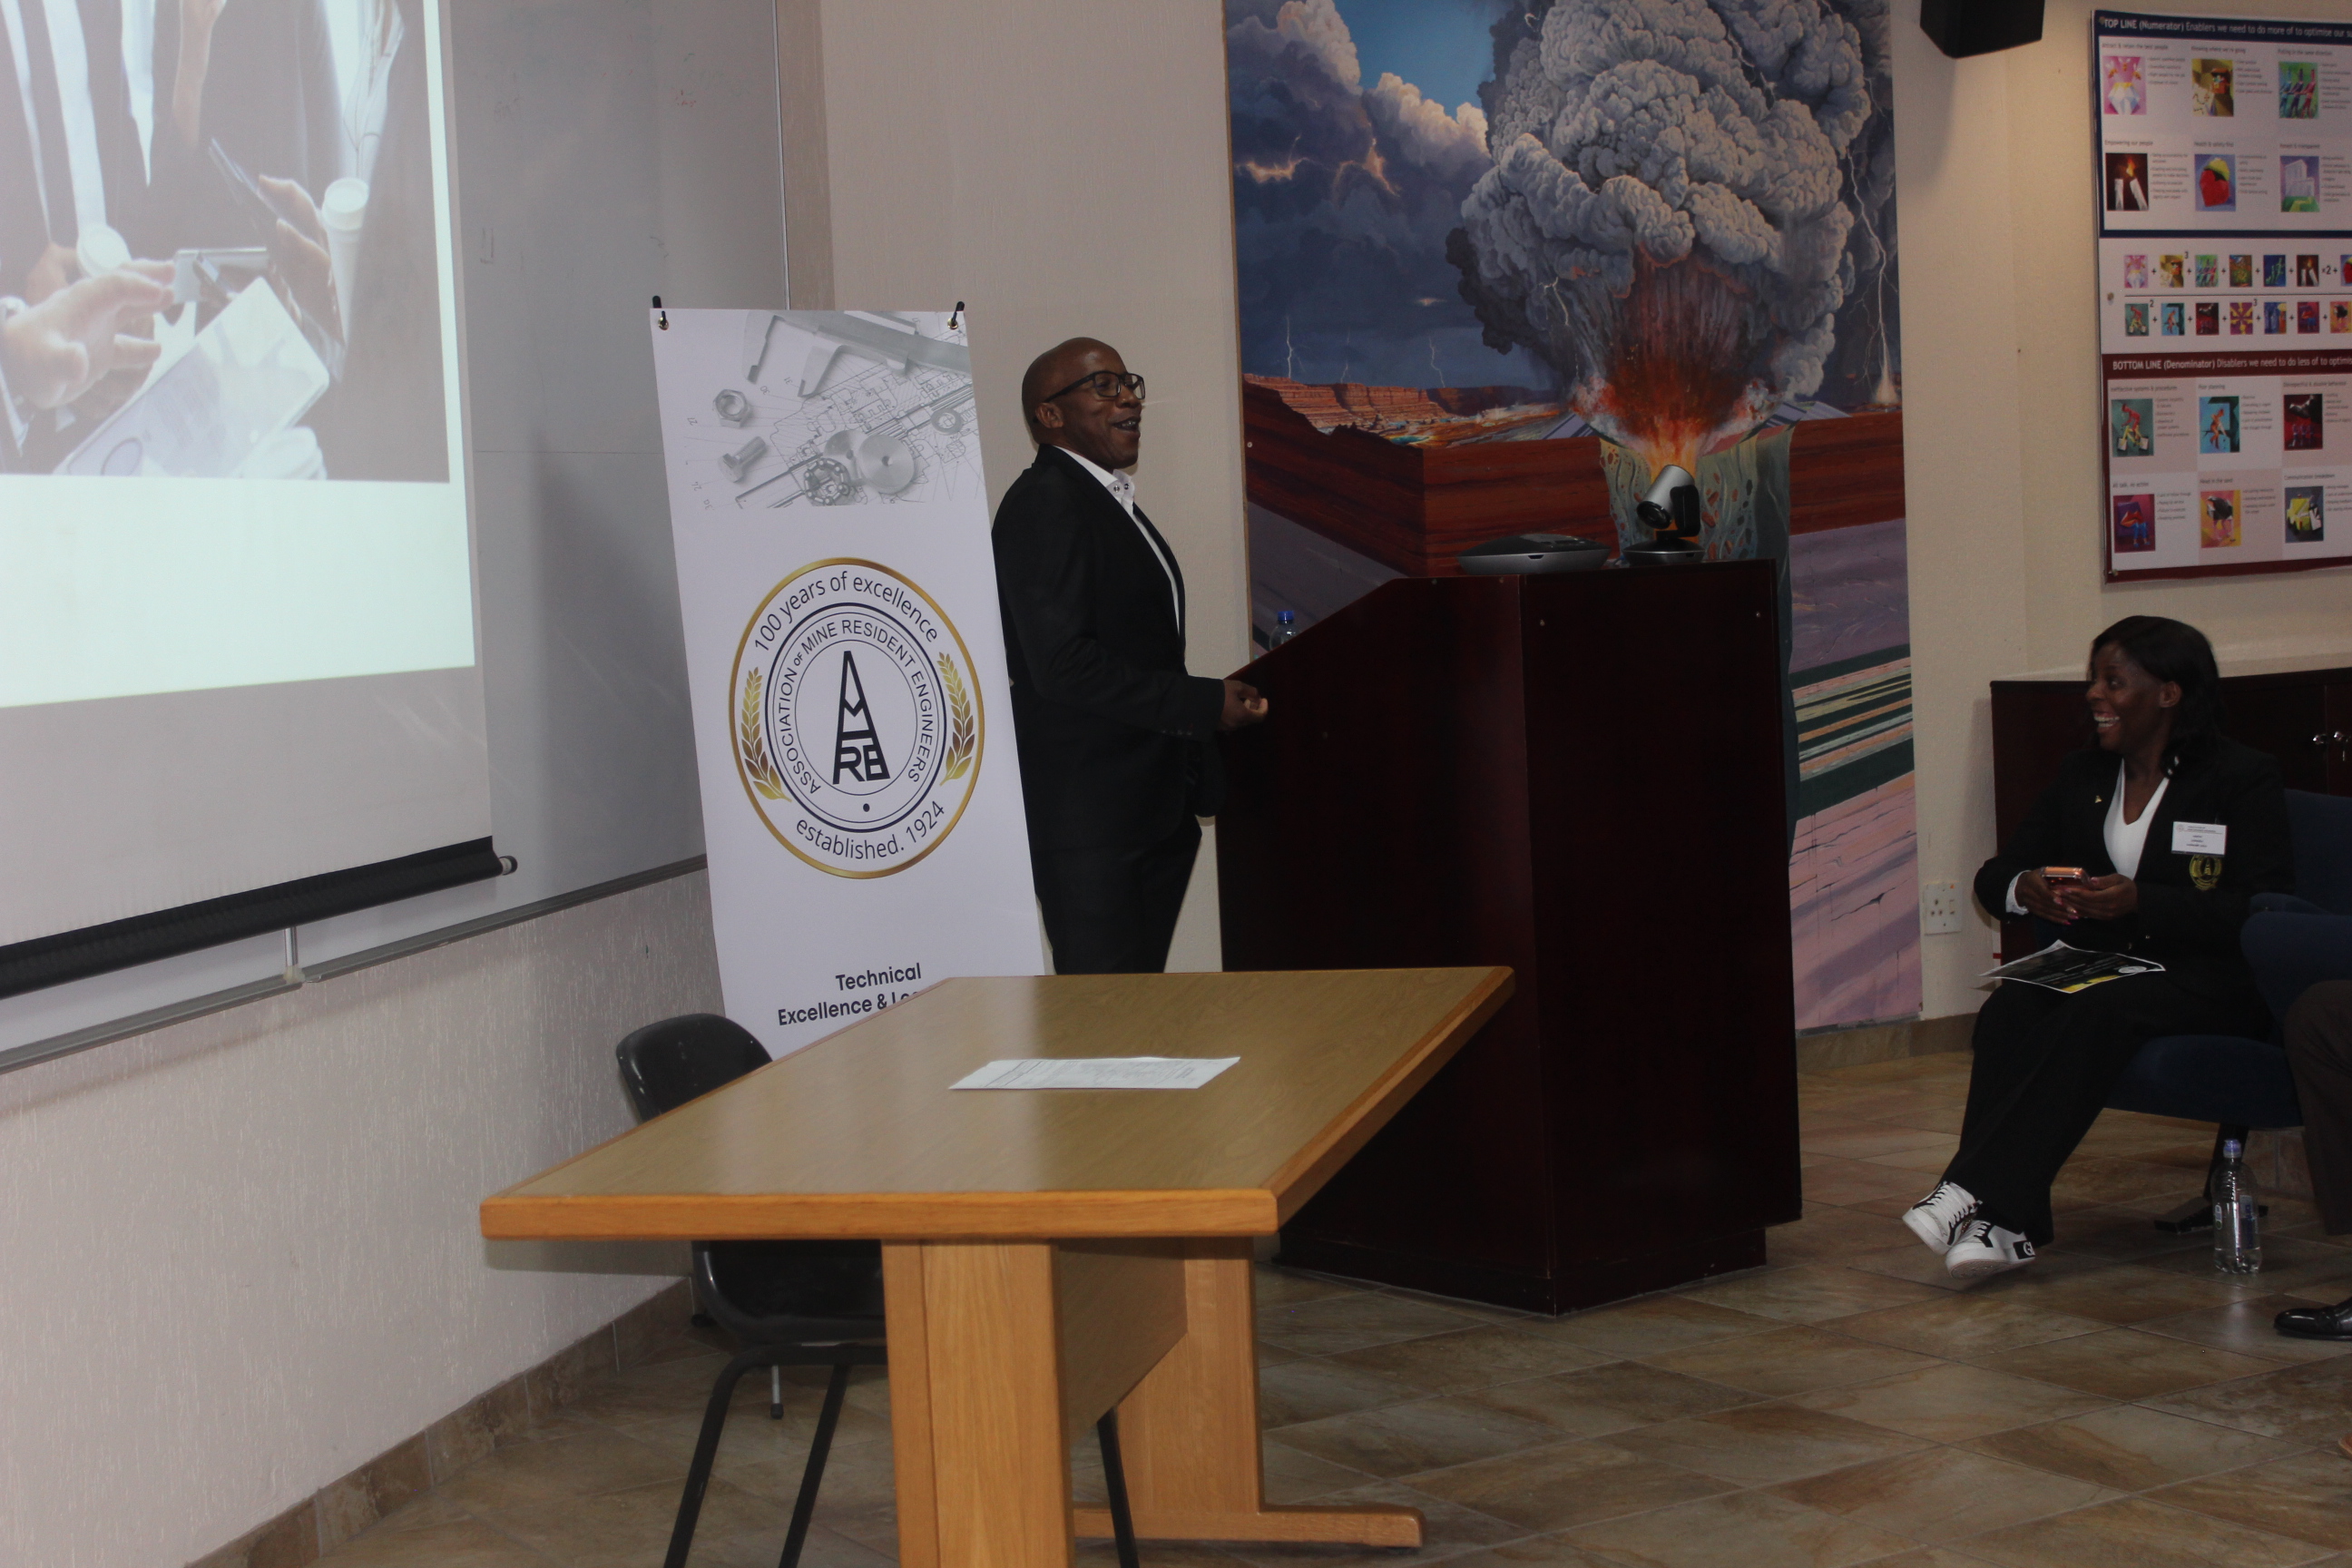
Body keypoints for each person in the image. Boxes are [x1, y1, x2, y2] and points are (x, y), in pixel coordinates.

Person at [1903, 617, 2291, 1279]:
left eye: (2113, 682)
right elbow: (1997, 875)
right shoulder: (2083, 773)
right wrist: (2025, 887)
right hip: (2109, 963)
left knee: (2097, 1010)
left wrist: (2143, 901)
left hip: (2211, 976)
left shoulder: (2240, 776)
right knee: (2010, 1009)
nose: (2094, 695)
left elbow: (2260, 907)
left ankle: (1970, 1191)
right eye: (2094, 680)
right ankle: (2010, 1226)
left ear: (2168, 693)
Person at [992, 336, 1267, 974]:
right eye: (1105, 386)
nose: (1129, 399)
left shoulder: (1103, 501)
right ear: (1050, 415)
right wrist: (1203, 703)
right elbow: (1062, 665)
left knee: (1137, 1011)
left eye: (1129, 383)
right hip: (1093, 826)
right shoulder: (1044, 502)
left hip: (1145, 813)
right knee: (1105, 1017)